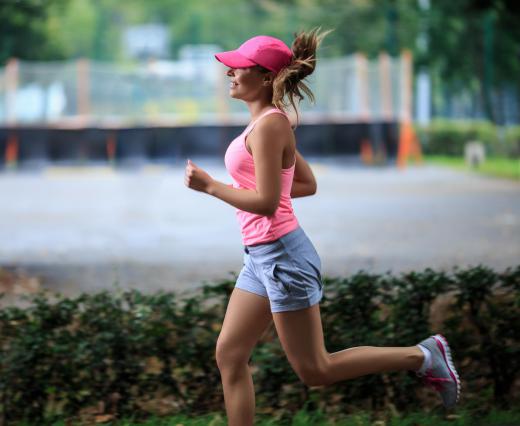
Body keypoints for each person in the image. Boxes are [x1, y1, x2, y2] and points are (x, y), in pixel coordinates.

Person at [184, 28, 461, 426]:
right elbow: (304, 183)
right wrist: (258, 190)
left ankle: (422, 355)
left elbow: (265, 202)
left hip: (282, 257)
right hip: (261, 257)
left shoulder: (270, 126)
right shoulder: (265, 123)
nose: (230, 73)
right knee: (229, 354)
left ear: (265, 77)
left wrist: (212, 187)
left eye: (240, 67)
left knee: (316, 370)